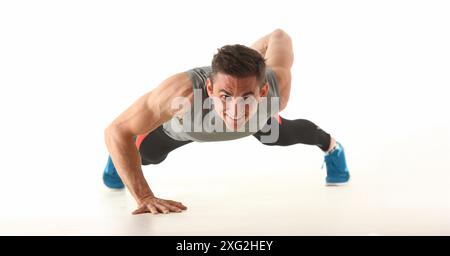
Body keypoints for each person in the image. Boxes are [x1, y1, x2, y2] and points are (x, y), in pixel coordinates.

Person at [103, 29, 350, 215]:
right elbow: (117, 130)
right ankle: (119, 159)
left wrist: (247, 60)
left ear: (262, 91)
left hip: (257, 120)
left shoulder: (277, 85)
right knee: (147, 154)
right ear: (209, 88)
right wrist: (143, 196)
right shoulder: (180, 93)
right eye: (225, 96)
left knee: (282, 136)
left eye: (246, 96)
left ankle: (333, 148)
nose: (234, 111)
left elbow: (279, 36)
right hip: (184, 128)